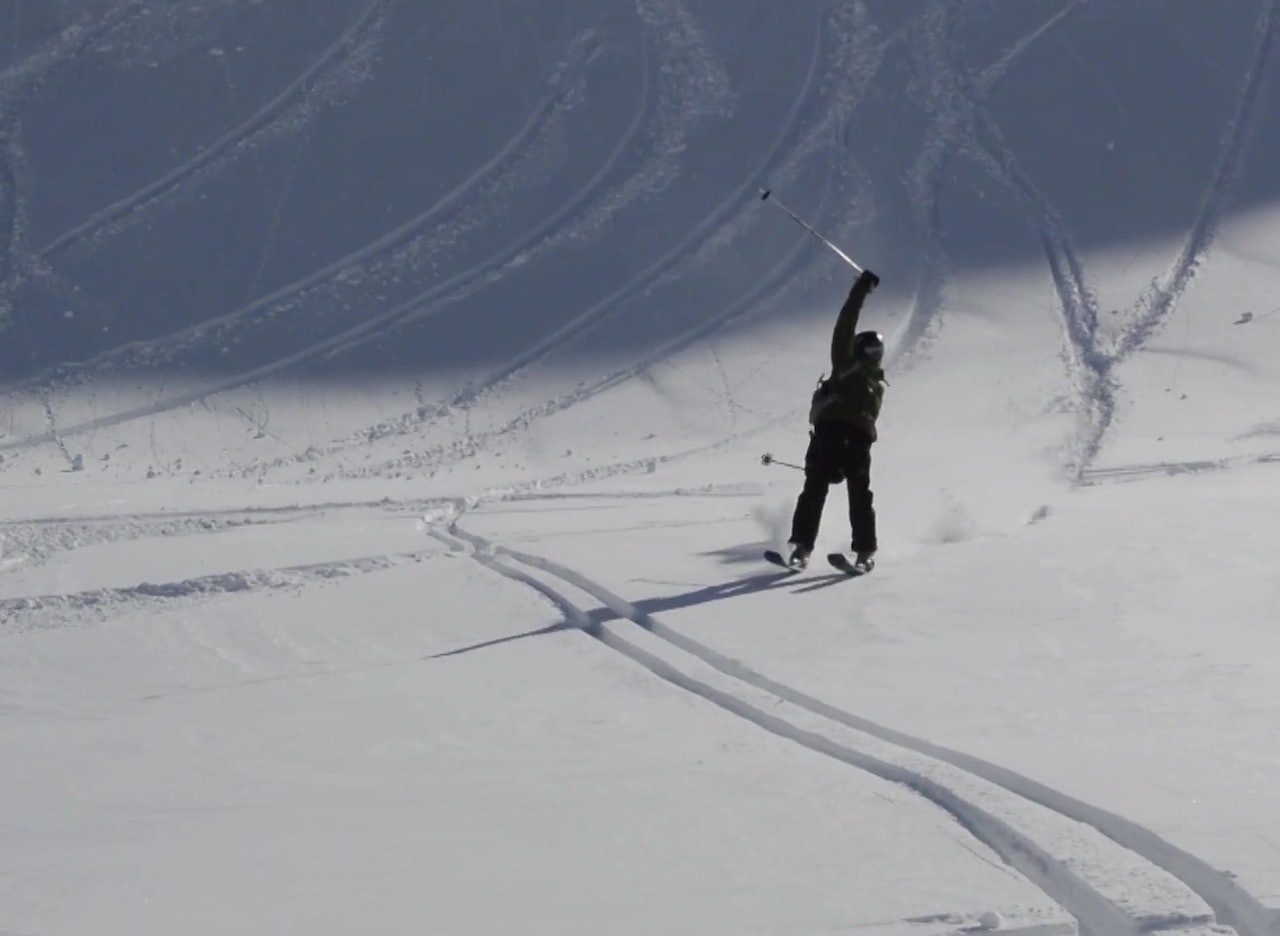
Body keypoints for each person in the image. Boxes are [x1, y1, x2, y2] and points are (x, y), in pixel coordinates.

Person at [786, 268, 885, 572]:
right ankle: (802, 548)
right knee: (815, 488)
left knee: (860, 493)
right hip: (830, 434)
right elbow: (846, 323)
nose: (874, 355)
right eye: (869, 349)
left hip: (858, 442)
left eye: (878, 350)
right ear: (857, 350)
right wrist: (861, 290)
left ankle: (865, 551)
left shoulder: (877, 385)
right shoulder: (846, 365)